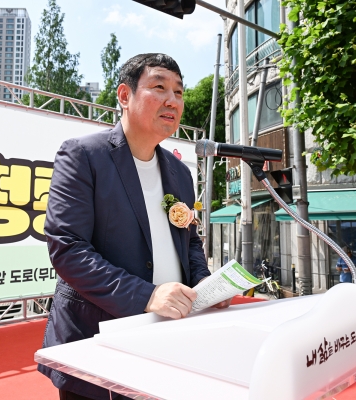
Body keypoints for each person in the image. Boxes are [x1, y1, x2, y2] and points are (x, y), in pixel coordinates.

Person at [38, 54, 230, 400]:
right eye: (159, 87)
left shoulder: (180, 172)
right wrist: (147, 296)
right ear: (125, 96)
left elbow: (189, 241)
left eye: (179, 92)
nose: (172, 100)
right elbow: (68, 248)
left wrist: (204, 284)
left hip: (168, 337)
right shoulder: (84, 155)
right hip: (96, 340)